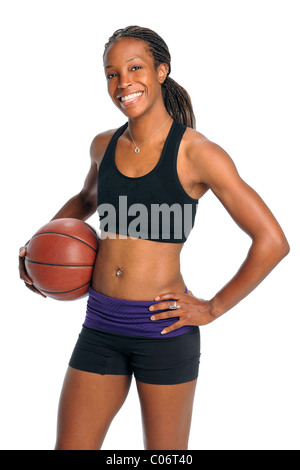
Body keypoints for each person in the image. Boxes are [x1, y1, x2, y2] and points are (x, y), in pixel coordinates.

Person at [18, 26, 289, 450]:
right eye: (111, 73)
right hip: (101, 324)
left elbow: (272, 240)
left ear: (162, 71)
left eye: (135, 68)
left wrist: (213, 307)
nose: (123, 82)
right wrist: (35, 247)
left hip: (163, 329)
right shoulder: (102, 145)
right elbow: (86, 198)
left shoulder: (198, 153)